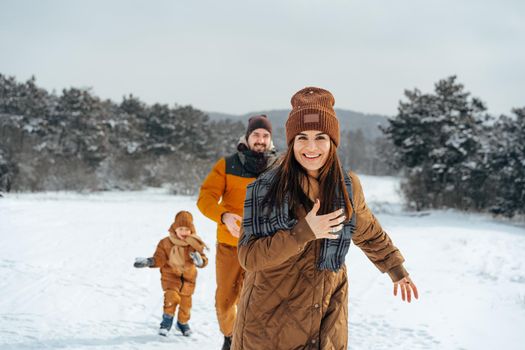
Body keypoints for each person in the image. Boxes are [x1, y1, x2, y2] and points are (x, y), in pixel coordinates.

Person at [231, 87, 419, 349]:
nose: (311, 147)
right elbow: (249, 257)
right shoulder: (267, 188)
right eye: (302, 138)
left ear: (333, 141)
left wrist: (395, 269)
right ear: (292, 142)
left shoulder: (346, 186)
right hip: (271, 324)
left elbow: (367, 230)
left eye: (320, 137)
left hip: (326, 318)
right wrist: (304, 231)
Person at [197, 115, 278, 350]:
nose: (260, 140)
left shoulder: (280, 168)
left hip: (263, 248)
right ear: (247, 137)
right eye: (256, 135)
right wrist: (223, 215)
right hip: (230, 245)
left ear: (270, 140)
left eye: (265, 136)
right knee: (224, 302)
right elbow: (205, 198)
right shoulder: (228, 164)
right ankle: (230, 336)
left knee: (256, 301)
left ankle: (248, 342)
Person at [134, 211, 208, 337]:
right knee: (171, 298)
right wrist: (149, 262)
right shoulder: (165, 243)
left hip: (189, 280)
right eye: (181, 229)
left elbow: (203, 259)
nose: (184, 232)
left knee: (186, 305)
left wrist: (200, 261)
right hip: (170, 277)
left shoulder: (194, 244)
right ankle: (166, 322)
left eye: (187, 229)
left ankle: (182, 323)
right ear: (175, 229)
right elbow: (159, 258)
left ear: (192, 230)